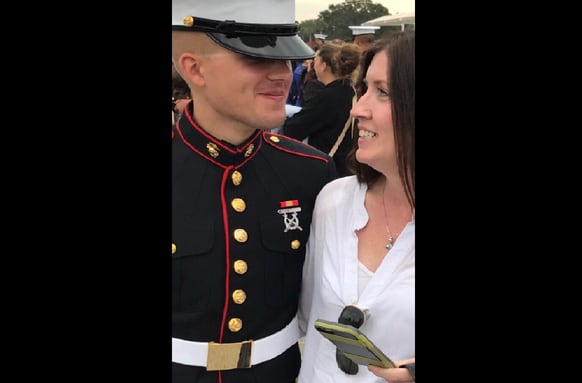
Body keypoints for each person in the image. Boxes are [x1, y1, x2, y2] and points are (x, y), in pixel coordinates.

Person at [171, 1, 338, 382]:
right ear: (194, 68)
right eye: (257, 58)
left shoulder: (311, 172)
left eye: (286, 59)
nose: (283, 73)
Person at [297, 30, 415, 383]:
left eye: (383, 92)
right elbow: (304, 315)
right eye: (364, 88)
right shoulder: (334, 201)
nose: (357, 109)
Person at [282, 41, 361, 176]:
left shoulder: (329, 96)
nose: (313, 65)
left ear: (324, 66)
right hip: (343, 166)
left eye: (316, 60)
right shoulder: (348, 90)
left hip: (329, 170)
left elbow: (294, 128)